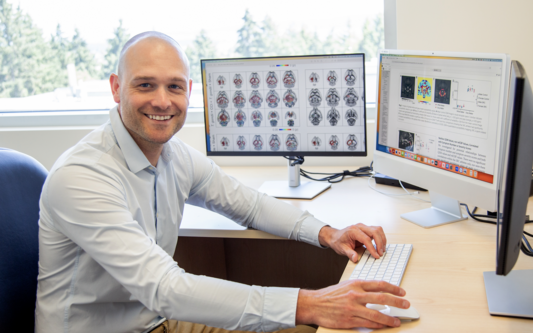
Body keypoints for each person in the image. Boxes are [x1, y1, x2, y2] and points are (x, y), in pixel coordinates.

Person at [35, 32, 409, 333]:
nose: (162, 101)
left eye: (175, 87)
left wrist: (328, 233)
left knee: (313, 328)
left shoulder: (173, 155)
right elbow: (166, 288)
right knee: (310, 315)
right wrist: (310, 303)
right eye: (145, 85)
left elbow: (247, 203)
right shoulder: (81, 176)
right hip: (120, 324)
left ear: (189, 93)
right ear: (117, 88)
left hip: (157, 319)